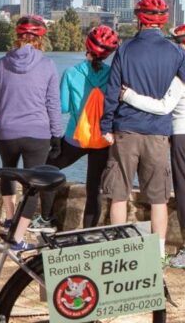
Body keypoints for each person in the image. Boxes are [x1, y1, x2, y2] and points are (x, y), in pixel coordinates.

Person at [100, 0, 185, 260]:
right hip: (158, 134)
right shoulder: (175, 52)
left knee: (119, 195)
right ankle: (156, 254)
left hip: (125, 130)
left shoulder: (125, 49)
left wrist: (106, 125)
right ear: (163, 20)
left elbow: (112, 90)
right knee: (158, 198)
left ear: (138, 19)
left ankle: (117, 250)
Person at [0, 15, 62, 251]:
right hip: (37, 133)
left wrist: (6, 118)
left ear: (17, 37)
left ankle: (10, 218)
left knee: (7, 174)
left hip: (7, 131)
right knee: (33, 186)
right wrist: (57, 134)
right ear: (40, 38)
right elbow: (53, 104)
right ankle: (18, 238)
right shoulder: (48, 65)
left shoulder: (2, 63)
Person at [46, 26, 119, 228]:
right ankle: (89, 231)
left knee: (48, 169)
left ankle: (45, 217)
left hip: (75, 139)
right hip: (103, 140)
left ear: (86, 46)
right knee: (93, 187)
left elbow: (63, 106)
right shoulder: (114, 74)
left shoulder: (71, 73)